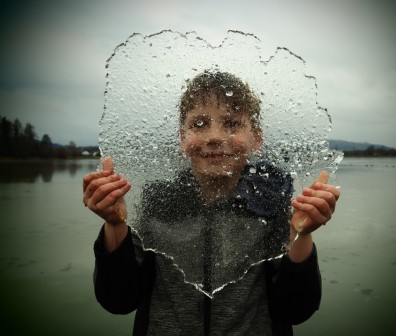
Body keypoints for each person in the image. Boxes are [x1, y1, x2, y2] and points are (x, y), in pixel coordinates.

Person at [83, 71, 340, 336]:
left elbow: (296, 310)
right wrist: (114, 225)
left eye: (232, 124)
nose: (215, 136)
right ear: (182, 138)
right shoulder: (158, 204)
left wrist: (301, 235)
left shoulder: (271, 207)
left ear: (257, 139)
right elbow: (119, 300)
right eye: (199, 124)